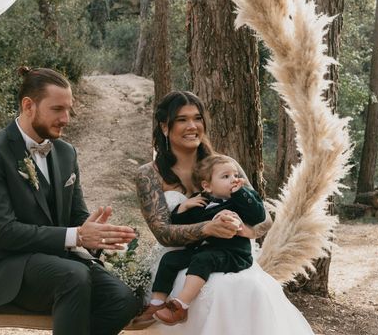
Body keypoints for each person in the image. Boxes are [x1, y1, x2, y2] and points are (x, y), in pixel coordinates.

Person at [0, 67, 140, 335]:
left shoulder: (66, 152)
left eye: (69, 109)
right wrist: (76, 236)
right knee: (72, 277)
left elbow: (77, 216)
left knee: (123, 299)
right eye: (57, 109)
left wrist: (98, 236)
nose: (66, 118)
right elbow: (3, 233)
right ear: (29, 105)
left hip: (56, 265)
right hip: (3, 268)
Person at [132, 90, 315, 334]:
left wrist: (240, 230)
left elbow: (264, 221)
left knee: (247, 288)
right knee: (213, 288)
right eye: (182, 119)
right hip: (179, 257)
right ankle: (164, 306)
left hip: (230, 253)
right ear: (165, 127)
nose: (192, 126)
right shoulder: (149, 174)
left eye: (197, 118)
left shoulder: (224, 166)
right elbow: (163, 233)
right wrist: (207, 228)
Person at [142, 154, 266, 325]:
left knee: (203, 259)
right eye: (226, 176)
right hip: (205, 249)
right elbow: (179, 227)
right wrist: (183, 208)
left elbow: (258, 215)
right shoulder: (203, 202)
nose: (234, 179)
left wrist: (241, 193)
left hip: (232, 254)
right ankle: (156, 303)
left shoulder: (239, 201)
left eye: (236, 175)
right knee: (170, 259)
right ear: (207, 186)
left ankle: (180, 307)